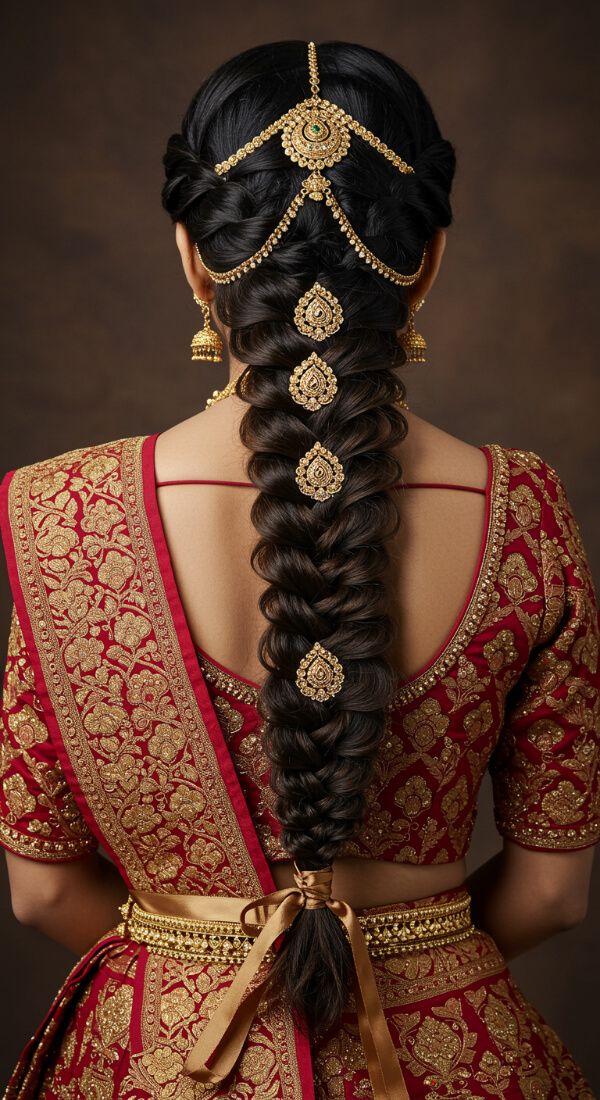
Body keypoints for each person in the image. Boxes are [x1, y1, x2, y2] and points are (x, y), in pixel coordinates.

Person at [0, 38, 598, 1100]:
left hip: (161, 1064)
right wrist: (419, 964)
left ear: (193, 256)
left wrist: (201, 970)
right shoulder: (524, 511)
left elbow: (43, 895)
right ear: (429, 257)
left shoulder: (62, 514)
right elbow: (552, 893)